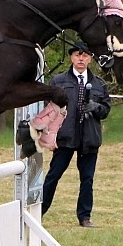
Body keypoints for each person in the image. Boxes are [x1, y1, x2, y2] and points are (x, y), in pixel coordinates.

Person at [41, 41, 111, 228]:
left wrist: (96, 107)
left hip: (89, 138)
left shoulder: (99, 84)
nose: (81, 58)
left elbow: (105, 110)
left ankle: (84, 217)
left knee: (87, 179)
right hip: (65, 137)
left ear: (90, 58)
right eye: (77, 55)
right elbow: (49, 110)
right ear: (72, 57)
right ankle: (39, 211)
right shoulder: (58, 81)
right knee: (53, 175)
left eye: (85, 55)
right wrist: (49, 135)